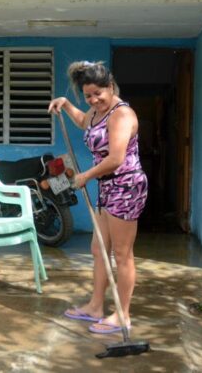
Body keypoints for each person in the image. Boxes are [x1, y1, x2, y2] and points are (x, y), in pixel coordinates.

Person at [47, 61, 148, 334]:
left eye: (97, 94)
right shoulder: (96, 111)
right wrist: (66, 104)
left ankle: (123, 315)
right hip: (106, 186)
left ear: (110, 87)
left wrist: (85, 176)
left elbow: (116, 159)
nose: (93, 100)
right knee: (98, 249)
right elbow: (84, 121)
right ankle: (95, 306)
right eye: (88, 95)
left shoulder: (122, 115)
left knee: (121, 253)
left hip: (125, 186)